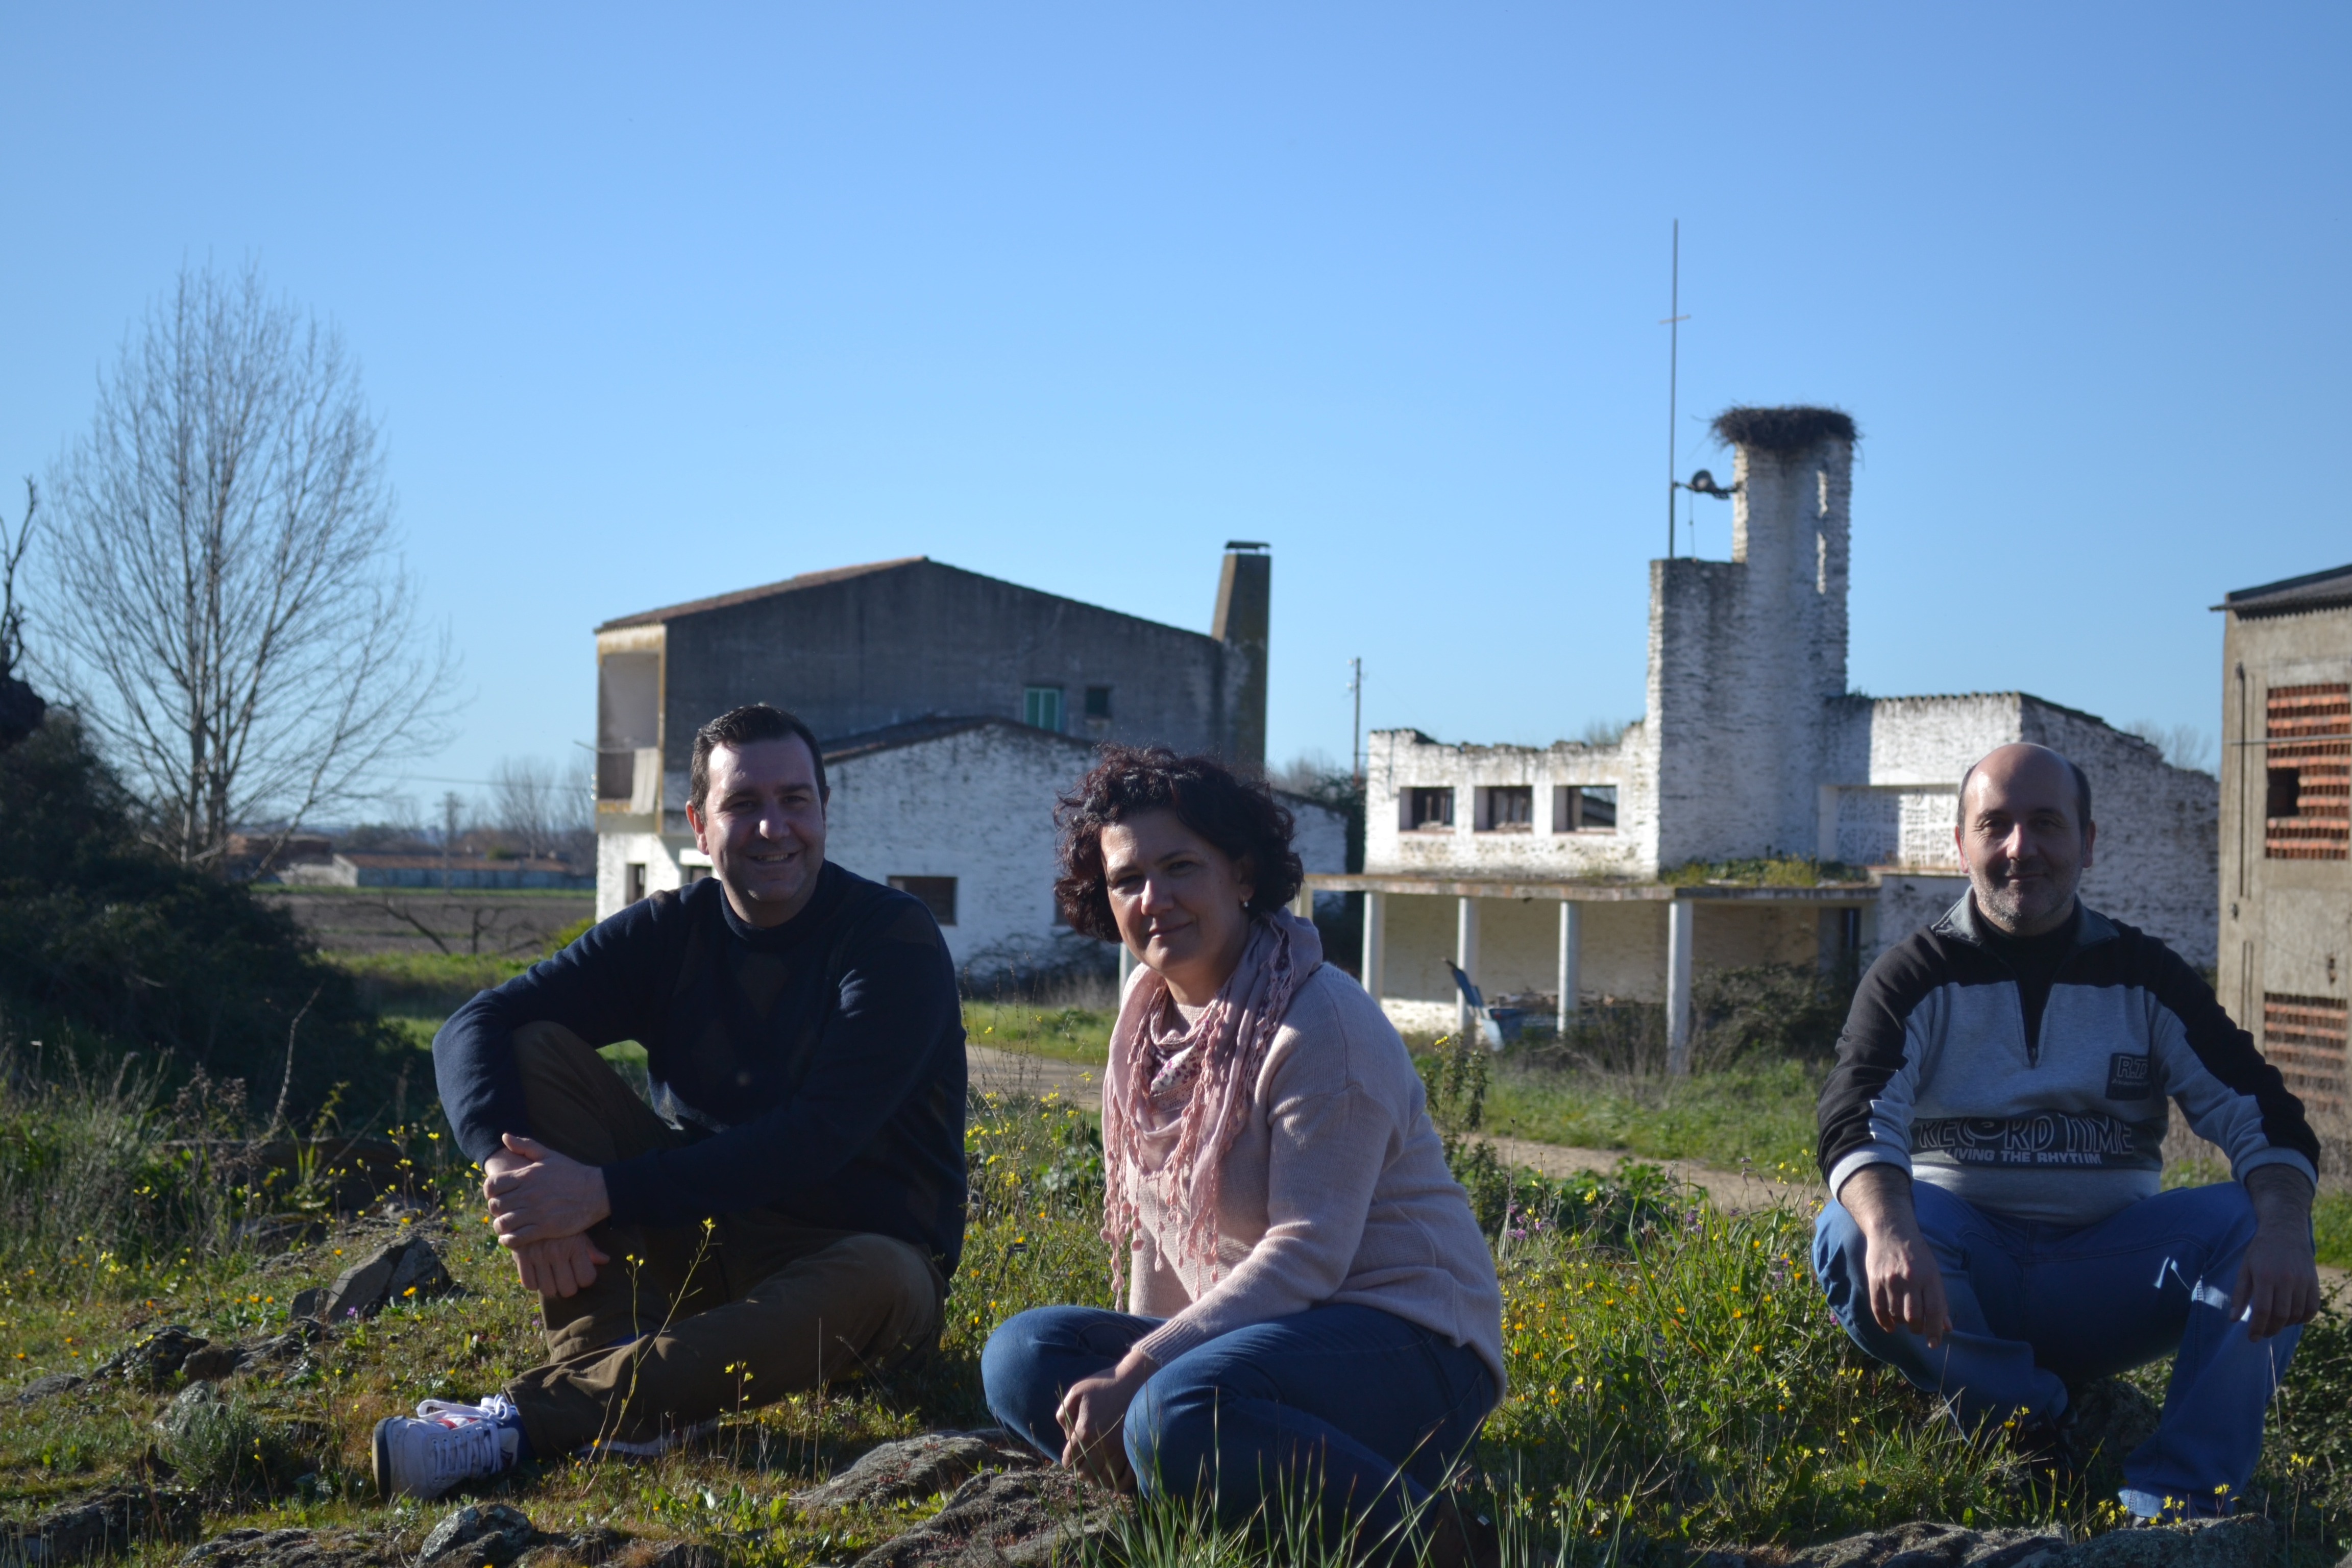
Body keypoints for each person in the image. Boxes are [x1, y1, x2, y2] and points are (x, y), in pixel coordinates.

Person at [372, 703, 966, 1499]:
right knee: (532, 1050)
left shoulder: (891, 940)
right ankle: (629, 1370)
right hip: (701, 1235)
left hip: (852, 1263)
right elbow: (474, 1023)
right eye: (742, 805)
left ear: (825, 809)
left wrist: (599, 1192)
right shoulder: (668, 933)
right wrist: (508, 1171)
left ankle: (537, 1416)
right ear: (698, 823)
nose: (772, 828)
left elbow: (818, 1137)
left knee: (886, 1274)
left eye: (795, 800)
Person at [981, 747, 1503, 1556]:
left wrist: (1145, 1372)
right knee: (1022, 1355)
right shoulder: (1147, 1012)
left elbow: (1308, 1256)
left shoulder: (1320, 1023)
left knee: (1174, 1410)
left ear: (1244, 873)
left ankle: (1444, 1541)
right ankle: (1186, 1489)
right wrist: (1143, 1360)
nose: (1153, 900)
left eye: (1181, 866)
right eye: (1126, 881)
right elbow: (1161, 1224)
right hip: (1256, 1343)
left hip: (1409, 1343)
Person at [1813, 741, 2320, 1519]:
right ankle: (2028, 1421)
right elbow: (1856, 1115)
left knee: (2262, 1222)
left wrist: (2288, 1224)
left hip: (2109, 1276)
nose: (2023, 848)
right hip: (1960, 1275)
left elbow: (2261, 1111)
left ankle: (2180, 1500)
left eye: (2047, 824)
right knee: (1849, 1233)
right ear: (1961, 845)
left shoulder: (2146, 973)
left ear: (2088, 841)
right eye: (1996, 825)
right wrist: (1889, 1228)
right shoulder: (1912, 975)